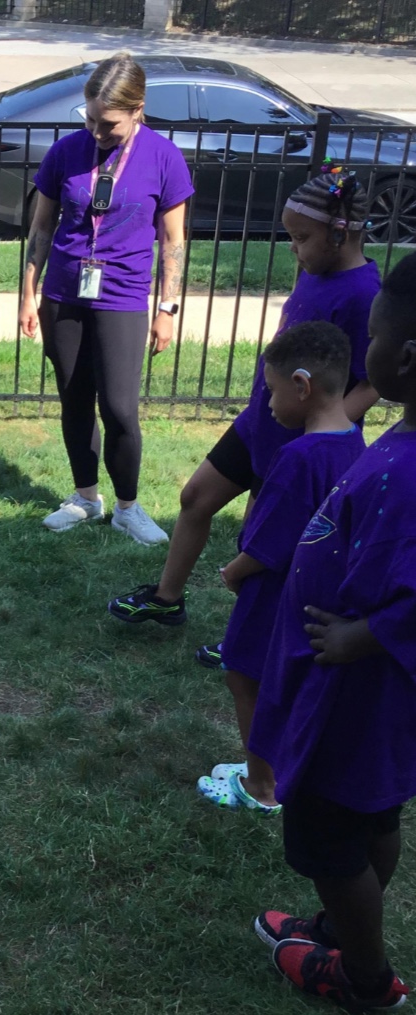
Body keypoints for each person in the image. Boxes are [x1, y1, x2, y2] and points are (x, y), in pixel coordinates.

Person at [246, 252, 416, 1013]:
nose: (365, 352)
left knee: (327, 837)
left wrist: (370, 634)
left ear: (404, 357)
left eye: (373, 333)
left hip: (355, 702)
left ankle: (364, 978)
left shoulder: (408, 473)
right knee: (374, 814)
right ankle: (350, 926)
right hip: (357, 702)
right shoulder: (395, 447)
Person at [107, 165, 381, 632]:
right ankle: (167, 599)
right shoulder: (314, 269)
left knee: (260, 541)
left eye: (300, 238)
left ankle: (246, 638)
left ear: (339, 234)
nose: (293, 249)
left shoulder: (364, 294)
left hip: (297, 440)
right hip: (261, 420)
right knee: (195, 498)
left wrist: (319, 433)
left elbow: (371, 382)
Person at [19, 51, 193, 546]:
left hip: (123, 296)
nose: (97, 131)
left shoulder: (164, 158)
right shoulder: (65, 153)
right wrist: (28, 294)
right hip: (63, 294)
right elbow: (40, 229)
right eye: (90, 118)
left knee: (119, 408)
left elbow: (173, 242)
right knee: (74, 398)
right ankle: (85, 497)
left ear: (138, 109)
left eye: (109, 123)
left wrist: (167, 308)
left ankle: (127, 508)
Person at [194, 322, 364, 815]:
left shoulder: (297, 457)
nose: (267, 404)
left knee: (245, 677)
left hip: (273, 592)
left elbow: (272, 542)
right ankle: (277, 770)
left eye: (270, 391)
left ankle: (261, 786)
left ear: (302, 386)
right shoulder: (354, 444)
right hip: (320, 590)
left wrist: (233, 571)